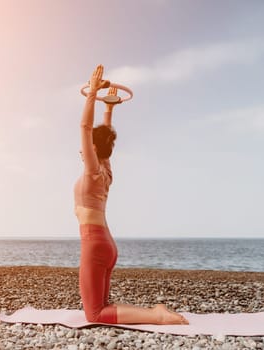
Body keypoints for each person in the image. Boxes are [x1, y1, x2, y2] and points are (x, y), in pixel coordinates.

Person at [74, 64, 189, 325]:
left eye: (87, 145)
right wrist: (109, 108)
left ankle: (156, 316)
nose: (81, 149)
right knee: (102, 307)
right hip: (105, 245)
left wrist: (93, 93)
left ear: (92, 147)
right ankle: (155, 312)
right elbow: (102, 138)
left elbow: (84, 127)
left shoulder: (93, 170)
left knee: (94, 314)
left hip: (94, 244)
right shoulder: (105, 169)